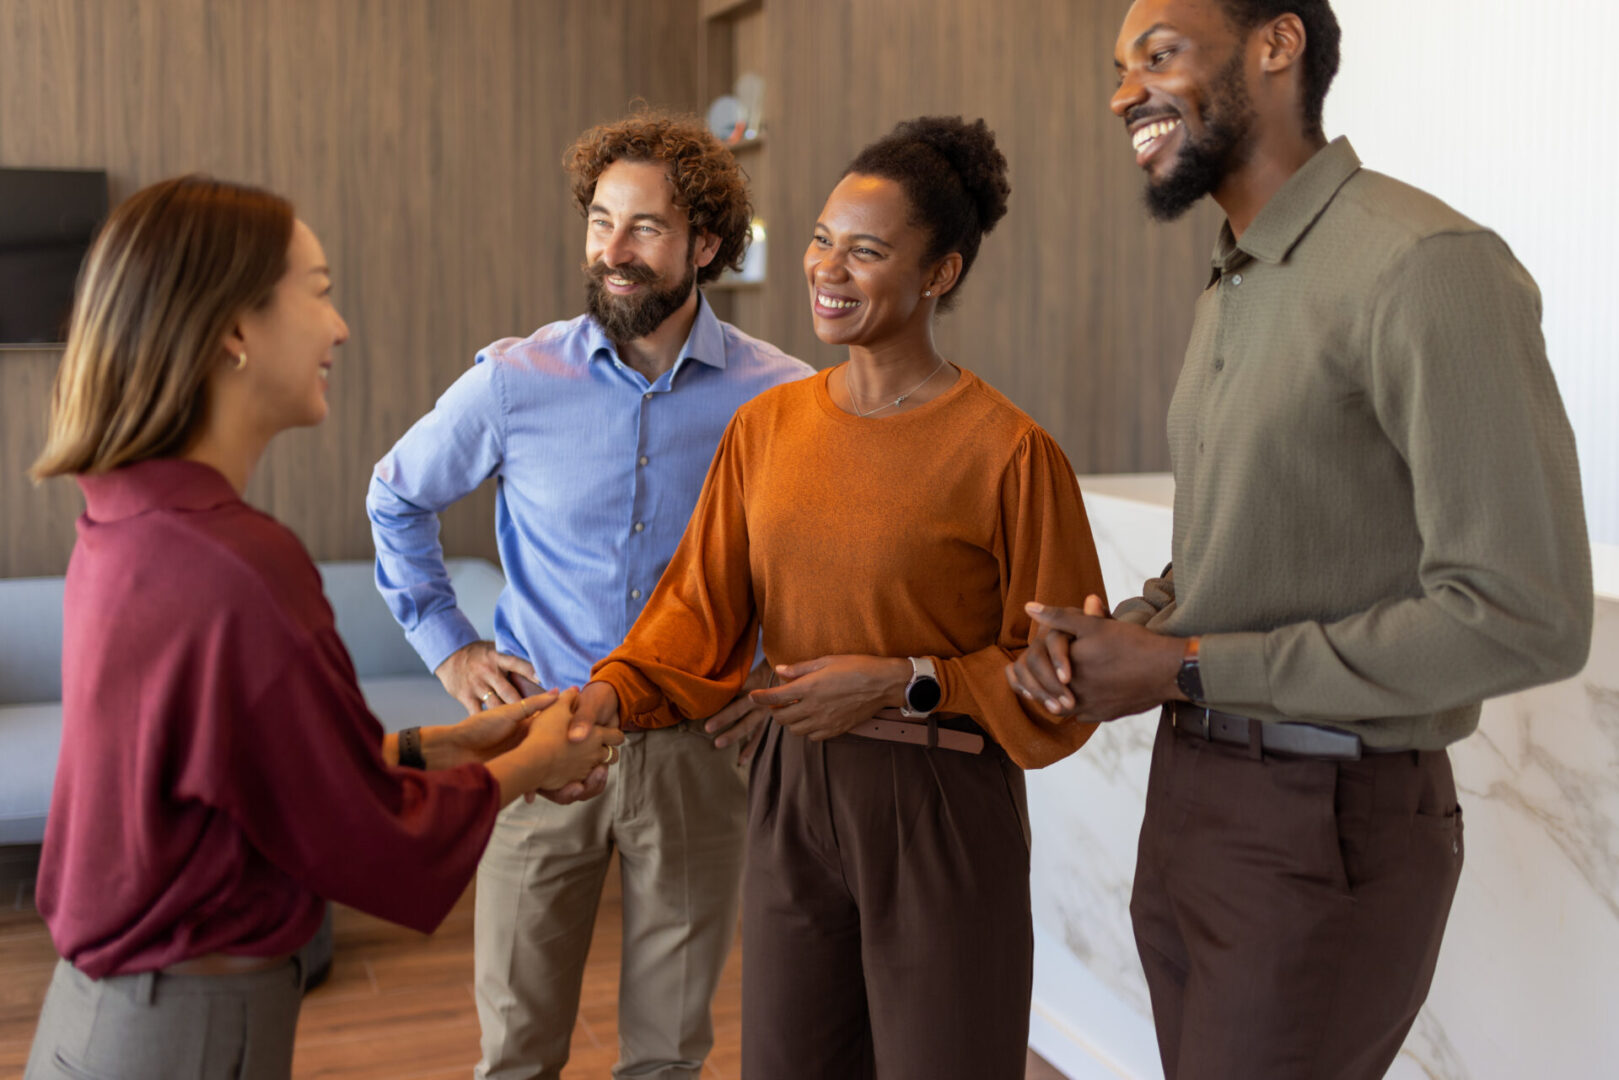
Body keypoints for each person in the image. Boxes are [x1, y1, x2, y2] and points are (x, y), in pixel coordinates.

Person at [1007, 2, 1592, 1077]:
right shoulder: (1234, 283)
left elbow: (1525, 615)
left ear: (1275, 46)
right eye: (1118, 66)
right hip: (1193, 802)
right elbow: (1238, 557)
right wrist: (1123, 634)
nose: (1122, 92)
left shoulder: (1427, 263)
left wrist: (1182, 667)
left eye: (1158, 54)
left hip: (1326, 819)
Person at [21, 176, 623, 1080]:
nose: (339, 327)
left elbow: (256, 773)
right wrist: (533, 765)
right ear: (233, 329)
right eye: (320, 289)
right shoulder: (236, 565)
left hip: (104, 1017)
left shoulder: (126, 523)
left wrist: (452, 746)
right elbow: (367, 839)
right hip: (183, 1032)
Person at [567, 116, 1107, 1080]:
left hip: (939, 801)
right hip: (789, 789)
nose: (829, 268)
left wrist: (908, 681)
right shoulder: (766, 428)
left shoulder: (1010, 454)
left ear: (938, 274)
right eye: (822, 239)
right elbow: (695, 610)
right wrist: (598, 703)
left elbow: (1064, 678)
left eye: (866, 251)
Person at [365, 110, 811, 1080]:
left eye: (643, 227)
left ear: (703, 244)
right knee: (517, 1046)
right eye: (598, 220)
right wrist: (452, 649)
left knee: (668, 1053)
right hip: (539, 737)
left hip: (700, 754)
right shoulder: (514, 383)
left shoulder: (780, 398)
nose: (611, 251)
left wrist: (771, 674)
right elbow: (395, 496)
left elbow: (809, 564)